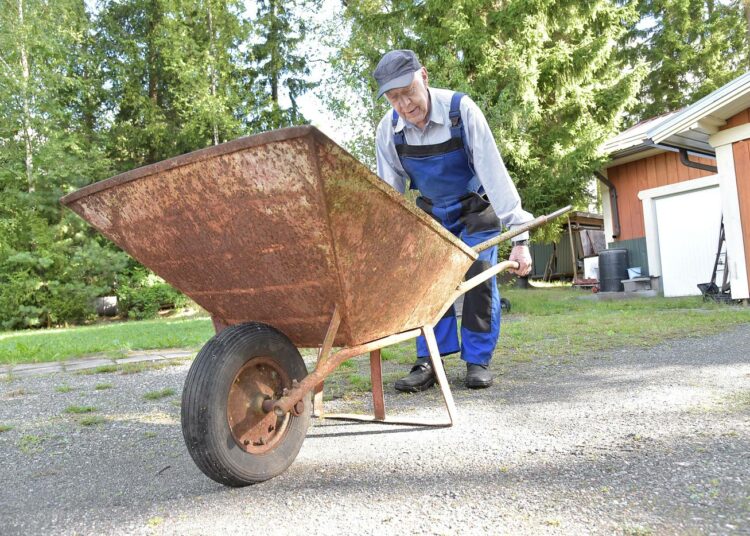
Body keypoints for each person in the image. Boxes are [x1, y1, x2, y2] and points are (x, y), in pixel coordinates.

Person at [373, 49, 534, 391]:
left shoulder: (461, 111)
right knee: (425, 282)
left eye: (408, 91)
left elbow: (495, 175)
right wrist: (387, 244)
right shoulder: (389, 130)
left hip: (474, 211)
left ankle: (477, 361)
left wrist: (520, 239)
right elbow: (390, 194)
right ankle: (429, 361)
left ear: (425, 77)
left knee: (477, 275)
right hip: (431, 214)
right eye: (393, 97)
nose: (404, 104)